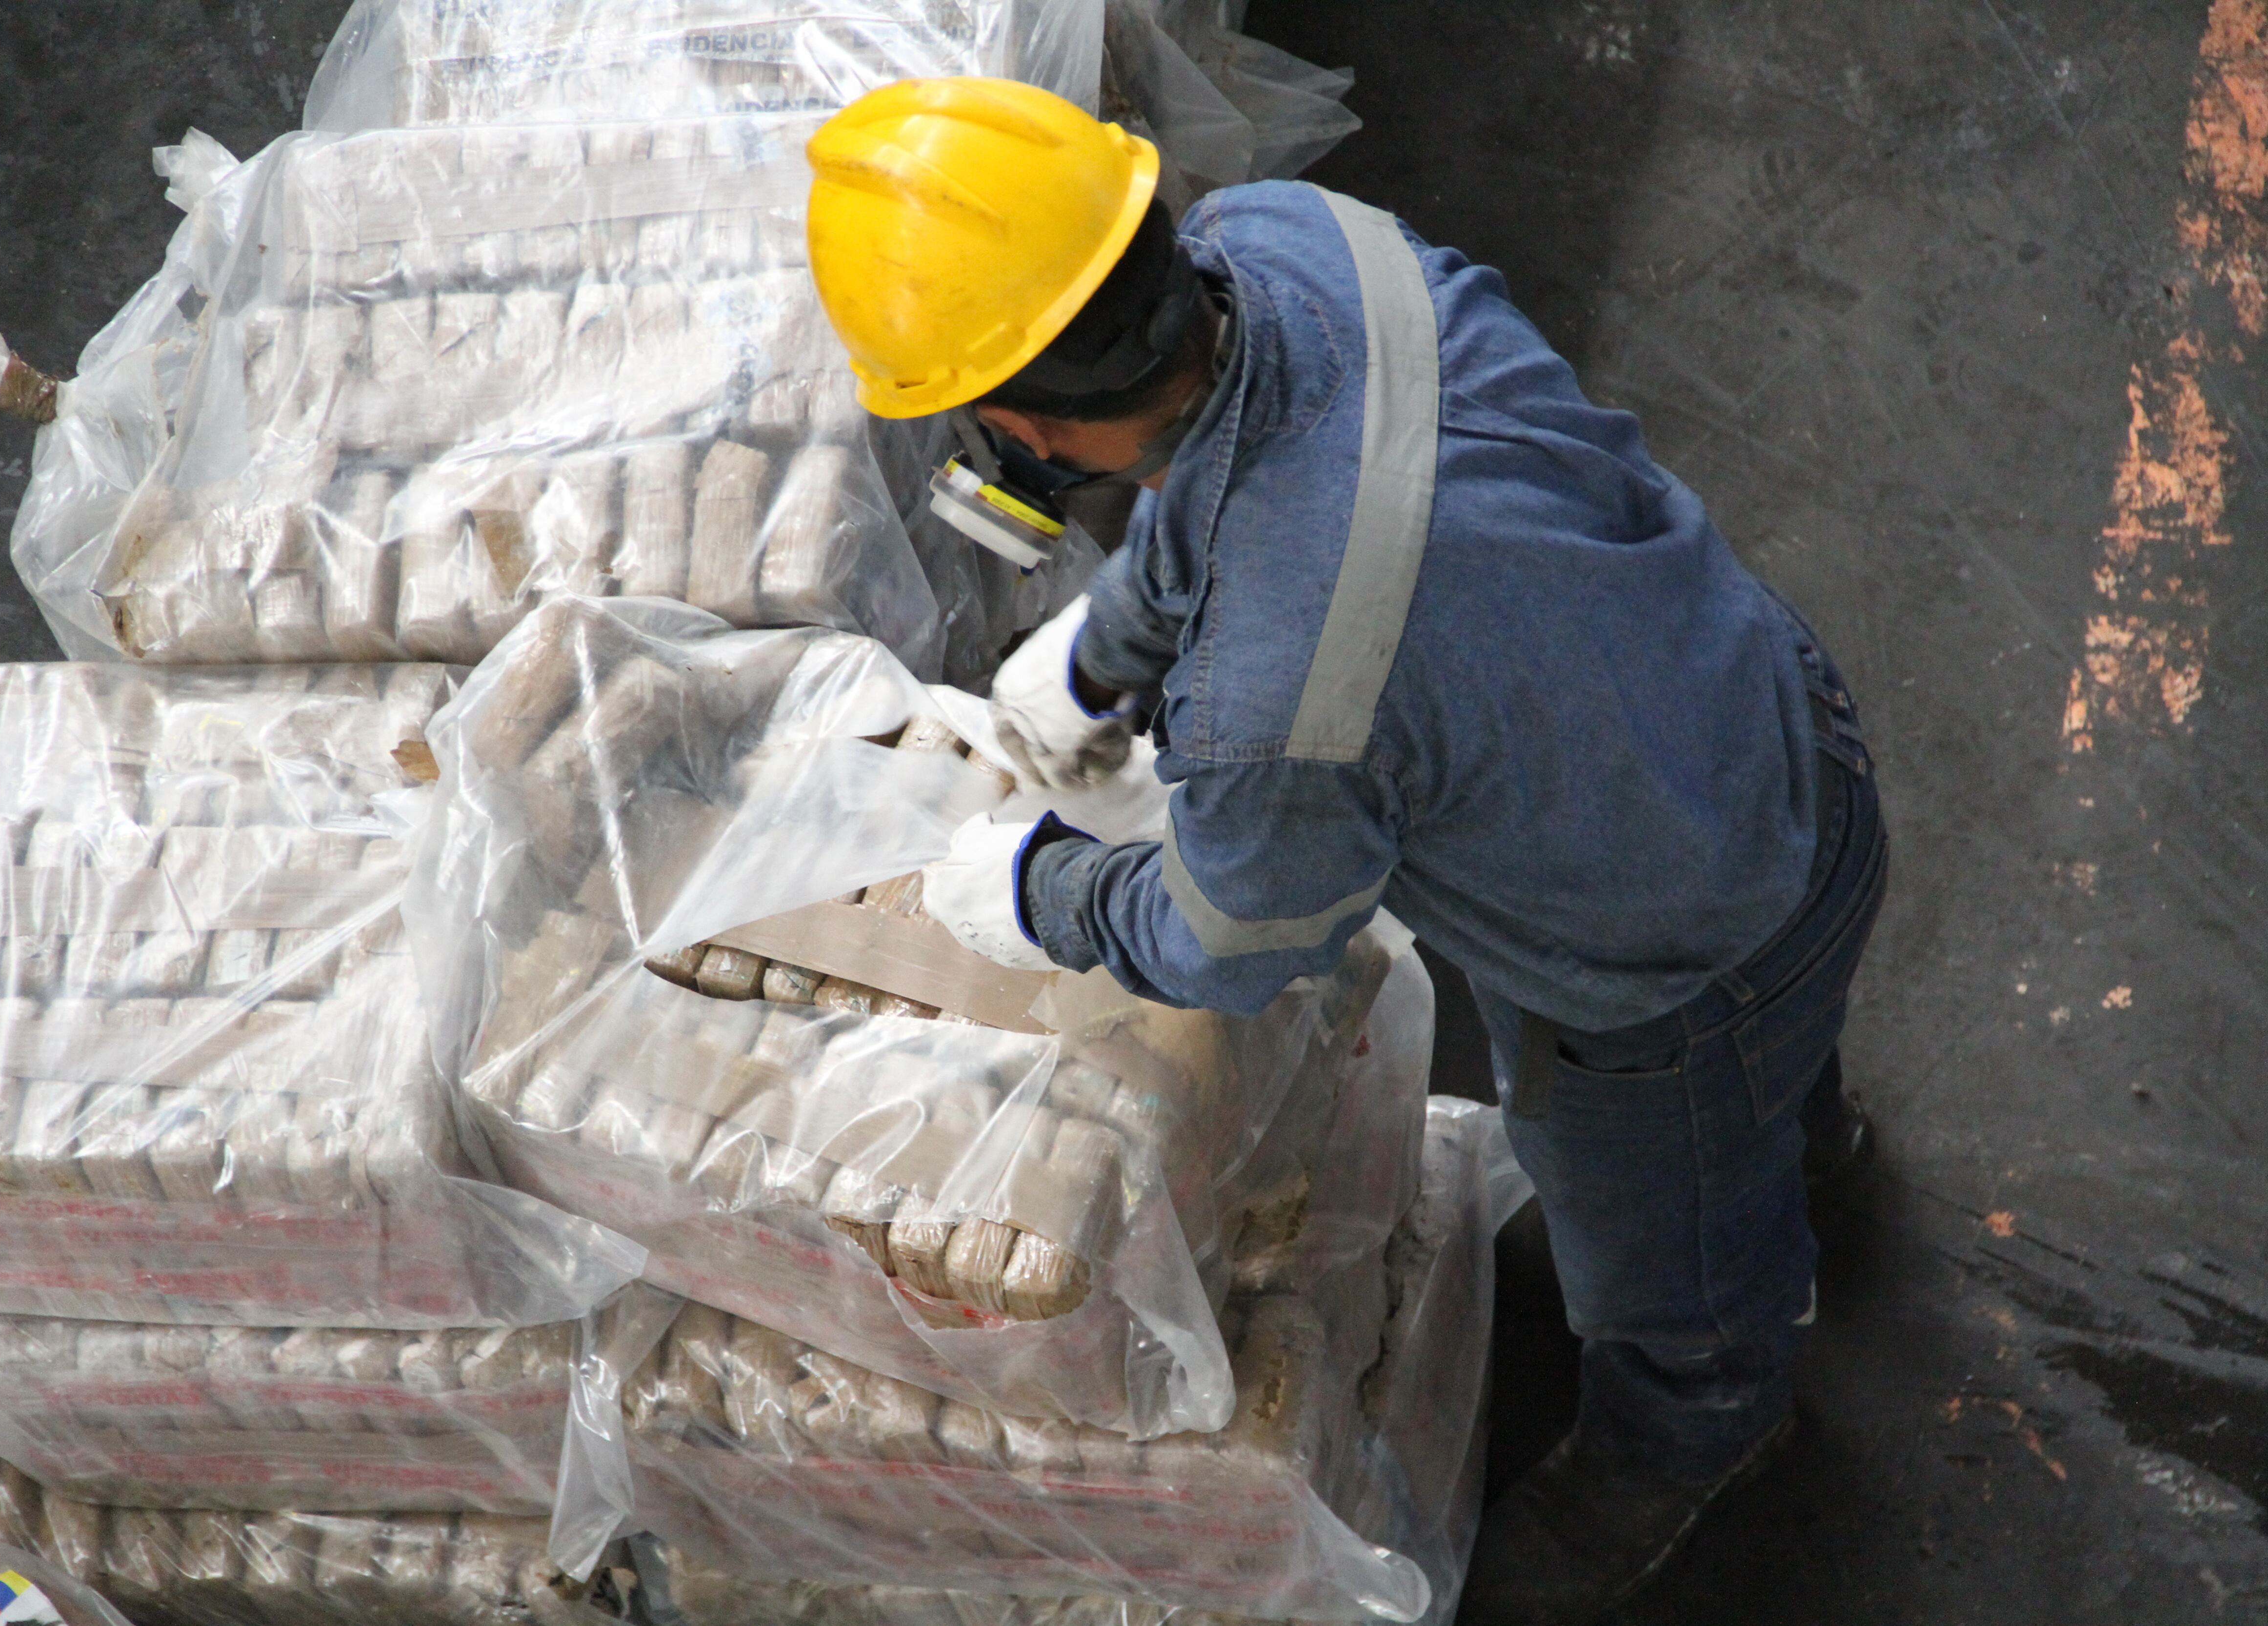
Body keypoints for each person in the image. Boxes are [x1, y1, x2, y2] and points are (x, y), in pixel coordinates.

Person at [803, 77, 1887, 1625]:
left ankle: (1698, 1427)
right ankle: (1808, 1143)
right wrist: (1107, 656)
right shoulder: (1301, 243)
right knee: (1777, 1054)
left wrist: (1039, 889)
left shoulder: (1278, 710)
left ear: (1017, 422)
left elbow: (1240, 936)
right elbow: (1252, 468)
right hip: (1766, 723)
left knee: (1672, 1241)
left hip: (1664, 963)